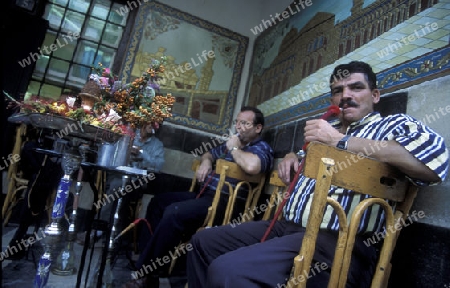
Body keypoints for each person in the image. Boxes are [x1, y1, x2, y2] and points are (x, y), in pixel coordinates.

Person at [186, 61, 449, 288]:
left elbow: (434, 164)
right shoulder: (326, 131)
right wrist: (292, 157)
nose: (345, 95)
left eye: (356, 87)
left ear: (375, 95)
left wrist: (341, 141)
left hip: (337, 242)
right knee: (203, 241)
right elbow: (306, 159)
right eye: (338, 91)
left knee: (228, 270)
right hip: (287, 228)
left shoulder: (392, 124)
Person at [126, 106, 274, 287]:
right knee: (158, 202)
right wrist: (206, 162)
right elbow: (208, 153)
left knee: (174, 213)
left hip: (226, 204)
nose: (239, 127)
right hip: (205, 195)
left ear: (258, 128)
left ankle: (146, 273)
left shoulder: (261, 147)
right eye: (237, 122)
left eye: (244, 123)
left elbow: (253, 167)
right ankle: (151, 263)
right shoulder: (233, 144)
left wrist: (234, 147)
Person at [77, 122, 165, 244]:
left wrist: (141, 153)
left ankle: (100, 230)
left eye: (155, 126)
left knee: (117, 188)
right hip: (117, 175)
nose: (153, 128)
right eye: (150, 125)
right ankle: (110, 233)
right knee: (116, 187)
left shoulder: (157, 145)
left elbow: (158, 165)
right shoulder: (129, 136)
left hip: (138, 181)